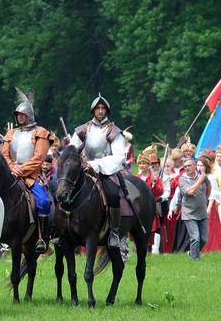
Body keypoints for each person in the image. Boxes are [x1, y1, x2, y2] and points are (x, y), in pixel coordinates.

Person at [69, 93, 128, 248]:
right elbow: (72, 151)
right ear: (93, 110)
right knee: (63, 189)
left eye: (103, 108)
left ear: (106, 111)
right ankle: (61, 230)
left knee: (113, 194)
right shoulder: (83, 130)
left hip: (106, 172)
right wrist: (78, 163)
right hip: (83, 171)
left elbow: (119, 156)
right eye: (98, 108)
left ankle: (114, 232)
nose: (100, 111)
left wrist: (96, 165)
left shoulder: (113, 131)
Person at [2, 88, 52, 253]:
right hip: (10, 176)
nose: (20, 117)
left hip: (32, 177)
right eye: (18, 115)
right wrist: (12, 168)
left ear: (29, 115)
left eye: (22, 114)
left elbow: (38, 158)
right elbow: (5, 155)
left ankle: (42, 238)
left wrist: (21, 170)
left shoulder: (41, 133)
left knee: (43, 202)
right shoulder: (11, 133)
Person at [172, 158, 210, 261]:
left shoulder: (201, 175)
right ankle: (195, 260)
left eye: (189, 165)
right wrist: (200, 180)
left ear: (194, 165)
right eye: (185, 167)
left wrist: (205, 199)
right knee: (195, 238)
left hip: (202, 212)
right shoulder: (182, 179)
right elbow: (190, 192)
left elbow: (209, 187)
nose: (187, 168)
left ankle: (191, 253)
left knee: (204, 239)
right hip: (189, 213)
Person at [136, 154, 163, 253]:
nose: (142, 165)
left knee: (150, 229)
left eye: (144, 163)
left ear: (148, 165)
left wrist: (154, 184)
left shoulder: (153, 177)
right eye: (140, 163)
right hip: (138, 208)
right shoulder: (136, 178)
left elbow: (159, 192)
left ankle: (151, 250)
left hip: (150, 207)